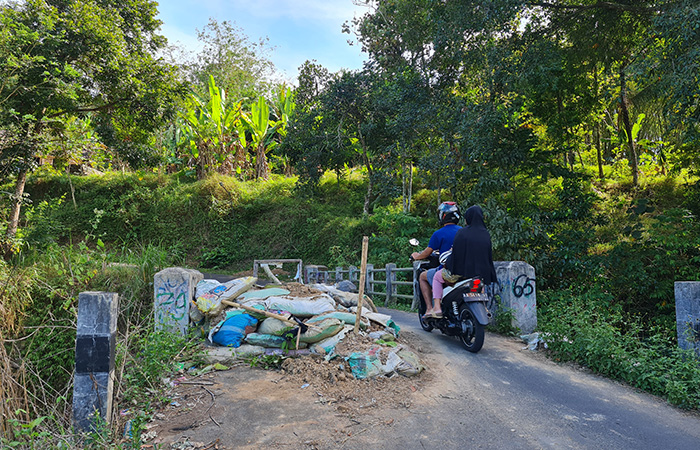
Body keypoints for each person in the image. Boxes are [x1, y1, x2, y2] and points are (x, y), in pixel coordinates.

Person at [428, 204, 497, 318]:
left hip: (460, 274)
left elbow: (455, 254)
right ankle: (484, 307)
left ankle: (436, 307)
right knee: (480, 282)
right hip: (479, 273)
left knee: (436, 276)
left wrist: (447, 264)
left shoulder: (462, 233)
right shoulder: (485, 234)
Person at [411, 202, 461, 317]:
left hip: (448, 269)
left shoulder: (439, 234)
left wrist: (416, 256)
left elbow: (427, 252)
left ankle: (429, 309)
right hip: (464, 269)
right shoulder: (463, 231)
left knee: (423, 277)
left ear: (442, 216)